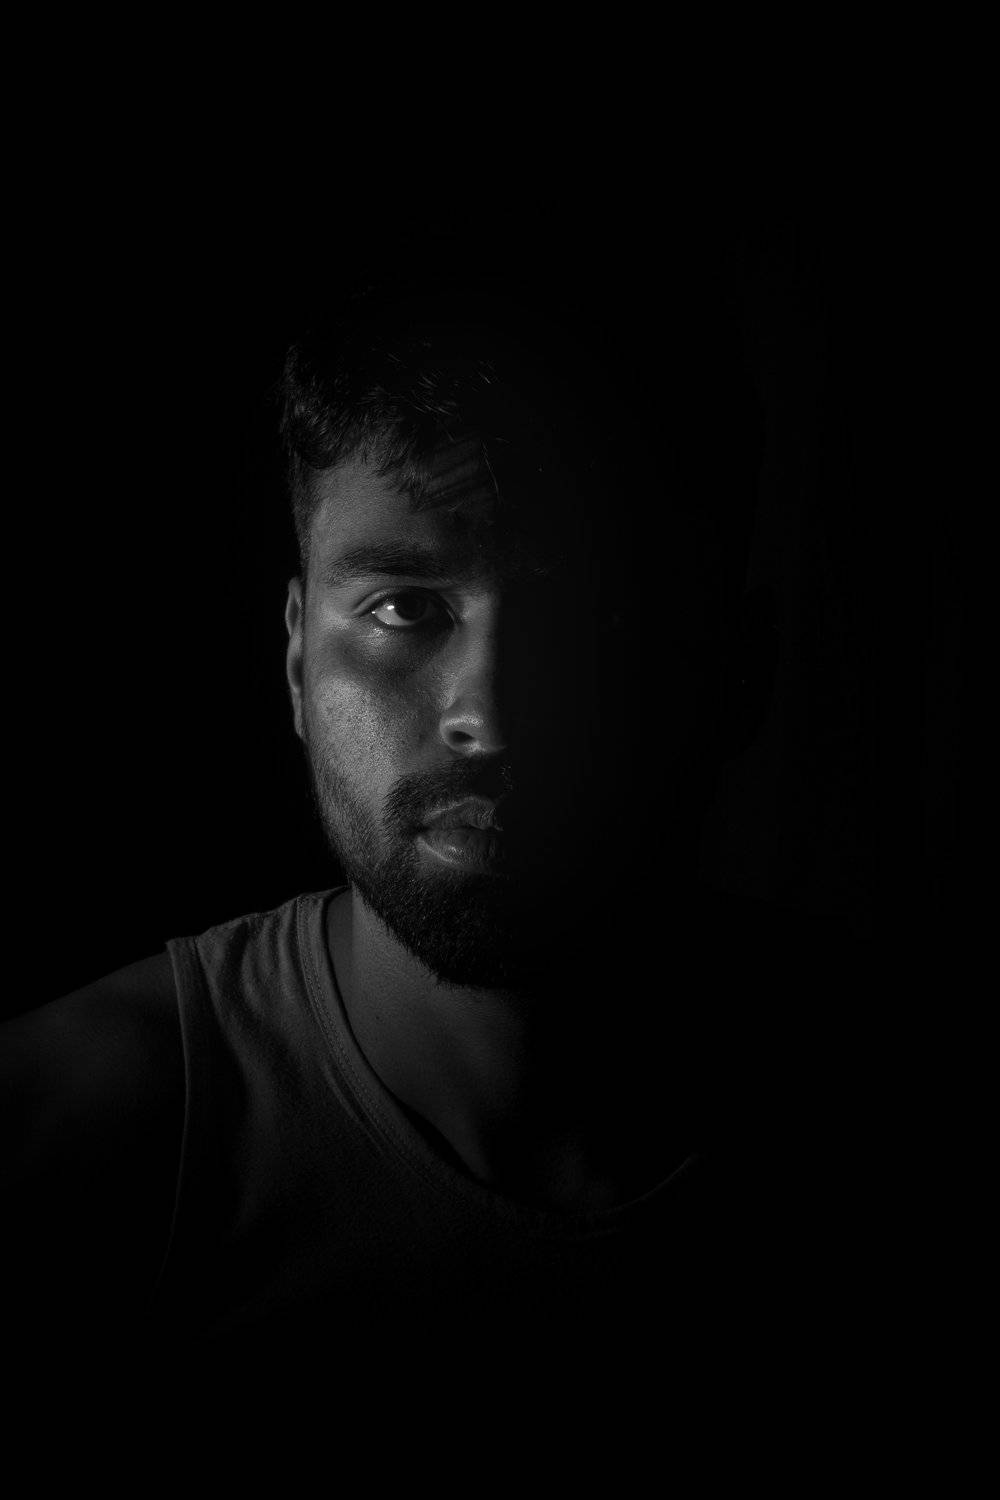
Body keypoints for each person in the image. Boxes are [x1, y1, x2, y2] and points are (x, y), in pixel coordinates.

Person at [3, 273, 852, 1413]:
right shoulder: (73, 1148)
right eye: (405, 607)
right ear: (298, 658)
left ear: (740, 675)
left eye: (593, 619)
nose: (489, 717)